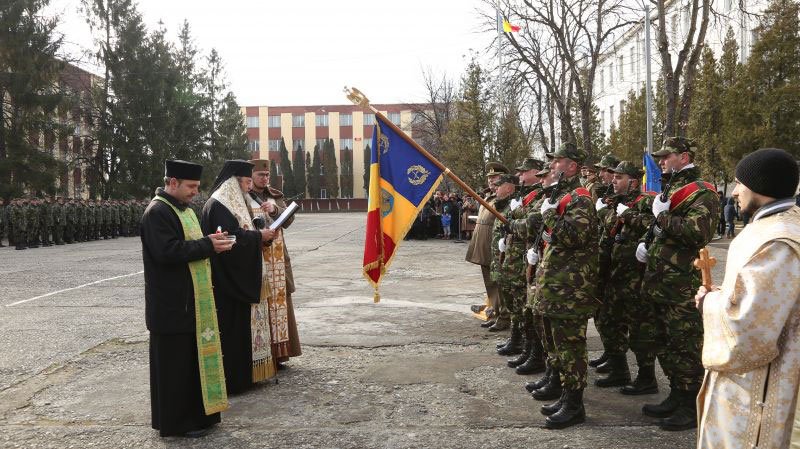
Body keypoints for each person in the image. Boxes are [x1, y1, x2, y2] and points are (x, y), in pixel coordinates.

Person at [695, 148, 800, 448]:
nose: (736, 191)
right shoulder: (777, 225)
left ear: (760, 186)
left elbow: (750, 329)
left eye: (741, 183)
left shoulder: (778, 242)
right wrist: (724, 297)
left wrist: (708, 304)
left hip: (762, 385)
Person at [141, 159, 234, 438]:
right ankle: (177, 425)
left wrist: (210, 241)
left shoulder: (183, 209)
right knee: (174, 368)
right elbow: (166, 251)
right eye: (191, 186)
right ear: (172, 183)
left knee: (190, 364)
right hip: (171, 305)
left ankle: (199, 418)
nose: (196, 192)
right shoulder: (157, 212)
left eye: (197, 186)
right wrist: (208, 245)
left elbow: (188, 243)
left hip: (190, 303)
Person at [635, 137, 720, 431]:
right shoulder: (671, 187)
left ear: (684, 157)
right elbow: (662, 227)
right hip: (661, 281)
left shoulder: (701, 192)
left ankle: (691, 405)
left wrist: (664, 217)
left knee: (684, 345)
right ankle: (676, 393)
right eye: (659, 157)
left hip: (681, 285)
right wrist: (649, 240)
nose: (661, 162)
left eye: (667, 156)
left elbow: (698, 233)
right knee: (664, 342)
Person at [529, 143, 599, 429]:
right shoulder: (563, 196)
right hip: (556, 284)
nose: (553, 165)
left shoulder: (580, 198)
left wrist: (547, 215)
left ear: (571, 166)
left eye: (558, 161)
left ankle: (575, 404)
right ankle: (565, 393)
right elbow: (553, 237)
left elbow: (572, 237)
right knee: (556, 344)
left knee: (570, 346)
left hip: (571, 288)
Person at [201, 160, 278, 394]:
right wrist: (258, 237)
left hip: (236, 278)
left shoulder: (232, 201)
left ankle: (245, 375)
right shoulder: (220, 204)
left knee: (241, 331)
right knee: (232, 332)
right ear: (234, 182)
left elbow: (241, 233)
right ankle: (235, 380)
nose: (248, 187)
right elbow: (229, 238)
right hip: (228, 281)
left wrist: (261, 236)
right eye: (245, 182)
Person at [598, 162, 658, 395]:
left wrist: (628, 214)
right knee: (609, 322)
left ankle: (646, 378)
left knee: (640, 329)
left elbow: (652, 227)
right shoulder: (616, 203)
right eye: (613, 177)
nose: (613, 180)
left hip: (636, 277)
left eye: (619, 177)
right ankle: (619, 369)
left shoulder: (646, 201)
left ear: (633, 180)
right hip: (615, 274)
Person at [249, 159, 302, 366]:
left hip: (279, 260)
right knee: (261, 303)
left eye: (267, 175)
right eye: (260, 175)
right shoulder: (244, 197)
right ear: (251, 177)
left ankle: (281, 354)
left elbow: (288, 221)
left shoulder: (275, 196)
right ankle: (262, 355)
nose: (265, 178)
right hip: (257, 257)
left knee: (281, 305)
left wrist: (274, 210)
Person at [465, 162, 510, 330]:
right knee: (490, 284)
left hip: (495, 248)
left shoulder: (503, 199)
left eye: (495, 178)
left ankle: (504, 316)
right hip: (483, 248)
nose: (491, 181)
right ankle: (496, 313)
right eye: (490, 178)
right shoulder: (489, 196)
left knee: (499, 285)